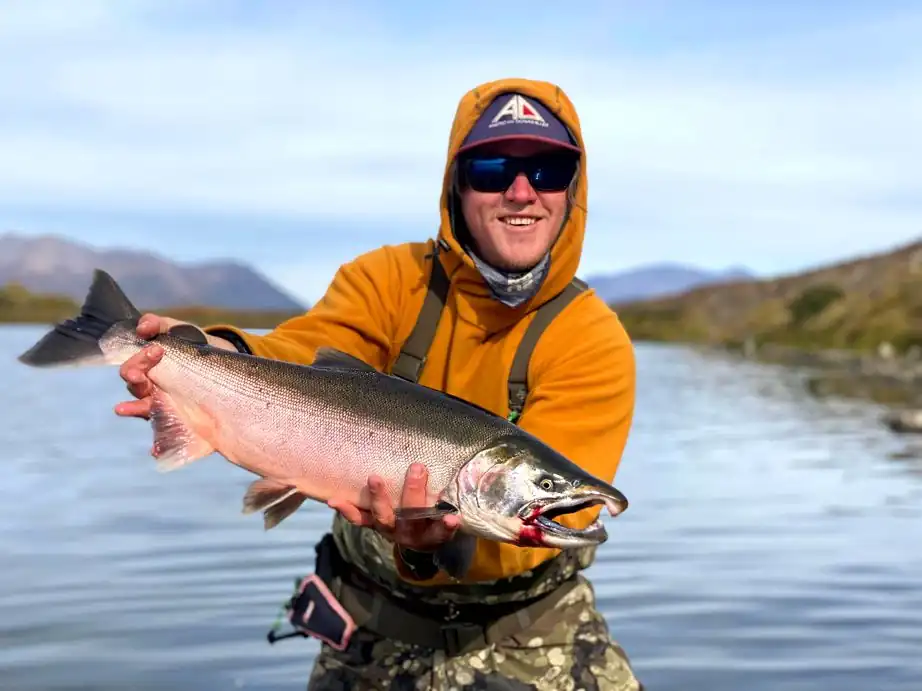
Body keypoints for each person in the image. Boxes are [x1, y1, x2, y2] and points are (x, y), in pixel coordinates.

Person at [115, 77, 641, 690]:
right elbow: (298, 357)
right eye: (493, 168)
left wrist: (432, 544)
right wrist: (213, 354)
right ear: (456, 185)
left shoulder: (593, 339)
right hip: (371, 628)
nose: (521, 192)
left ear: (572, 190)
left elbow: (529, 539)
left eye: (548, 170)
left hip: (531, 634)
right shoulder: (388, 280)